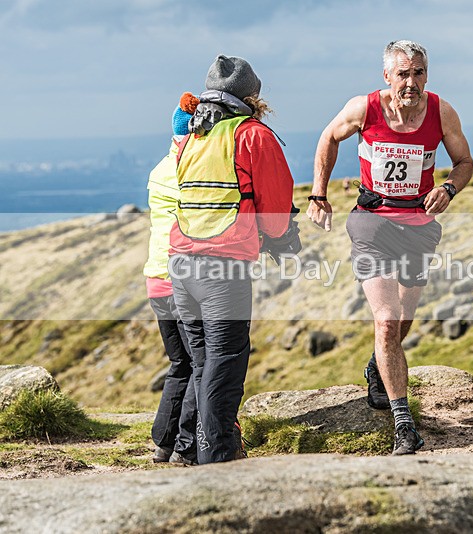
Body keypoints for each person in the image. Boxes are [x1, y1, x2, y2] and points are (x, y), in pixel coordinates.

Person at [306, 40, 473, 455]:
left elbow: (464, 162)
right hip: (372, 222)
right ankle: (403, 423)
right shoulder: (365, 108)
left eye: (418, 73)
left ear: (426, 75)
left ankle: (377, 366)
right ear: (387, 76)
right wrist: (318, 193)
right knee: (386, 320)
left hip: (418, 225)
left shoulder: (442, 112)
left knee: (402, 322)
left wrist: (449, 188)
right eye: (403, 74)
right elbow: (329, 136)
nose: (410, 82)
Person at [169, 55, 296, 464]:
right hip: (222, 268)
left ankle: (187, 449)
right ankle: (219, 455)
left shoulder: (191, 138)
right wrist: (279, 238)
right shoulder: (252, 135)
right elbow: (276, 212)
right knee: (225, 361)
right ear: (251, 96)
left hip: (180, 265)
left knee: (202, 360)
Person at [144, 93, 200, 466]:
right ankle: (185, 446)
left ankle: (163, 442)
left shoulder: (161, 168)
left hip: (156, 279)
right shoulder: (193, 169)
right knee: (202, 363)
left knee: (180, 363)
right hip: (182, 279)